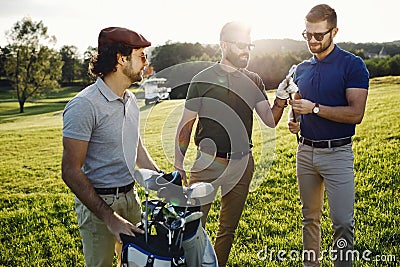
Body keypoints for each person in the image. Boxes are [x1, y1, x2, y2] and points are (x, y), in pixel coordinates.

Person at [174, 21, 298, 267]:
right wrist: (179, 163)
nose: (246, 51)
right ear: (223, 45)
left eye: (249, 46)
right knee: (193, 227)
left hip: (242, 164)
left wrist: (282, 99)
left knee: (227, 229)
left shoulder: (254, 80)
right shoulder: (202, 79)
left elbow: (269, 120)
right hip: (207, 162)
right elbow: (186, 125)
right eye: (240, 45)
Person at [62, 27, 162, 266]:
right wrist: (110, 218)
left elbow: (135, 148)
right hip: (99, 205)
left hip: (131, 197)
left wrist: (163, 180)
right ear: (121, 59)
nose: (146, 62)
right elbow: (70, 171)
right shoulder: (84, 105)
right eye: (141, 55)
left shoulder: (130, 100)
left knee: (137, 262)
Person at [288, 4, 369, 267]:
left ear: (334, 31)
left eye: (318, 35)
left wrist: (315, 108)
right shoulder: (301, 69)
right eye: (307, 34)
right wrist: (294, 119)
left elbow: (356, 113)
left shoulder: (353, 65)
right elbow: (297, 105)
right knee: (309, 217)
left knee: (343, 222)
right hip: (305, 153)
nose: (312, 40)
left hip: (338, 154)